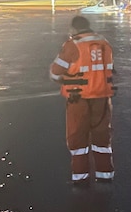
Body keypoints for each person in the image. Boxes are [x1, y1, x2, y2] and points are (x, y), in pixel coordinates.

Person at [49, 15, 115, 186]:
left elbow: (55, 73)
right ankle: (105, 176)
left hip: (79, 100)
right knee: (102, 139)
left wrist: (66, 79)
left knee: (78, 140)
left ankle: (80, 180)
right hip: (102, 99)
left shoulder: (72, 45)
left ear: (74, 29)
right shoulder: (104, 44)